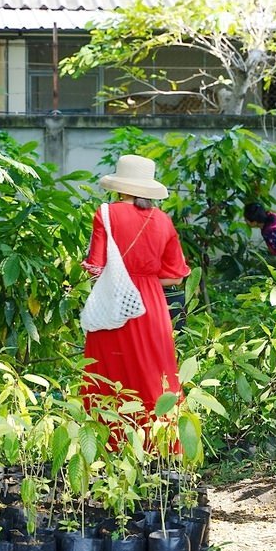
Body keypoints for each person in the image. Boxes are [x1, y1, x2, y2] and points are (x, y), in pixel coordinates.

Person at [82, 155, 191, 439]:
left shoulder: (105, 213)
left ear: (121, 185)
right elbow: (177, 276)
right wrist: (146, 277)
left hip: (114, 303)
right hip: (151, 305)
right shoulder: (163, 221)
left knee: (108, 375)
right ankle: (163, 446)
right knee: (157, 373)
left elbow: (96, 268)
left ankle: (111, 446)